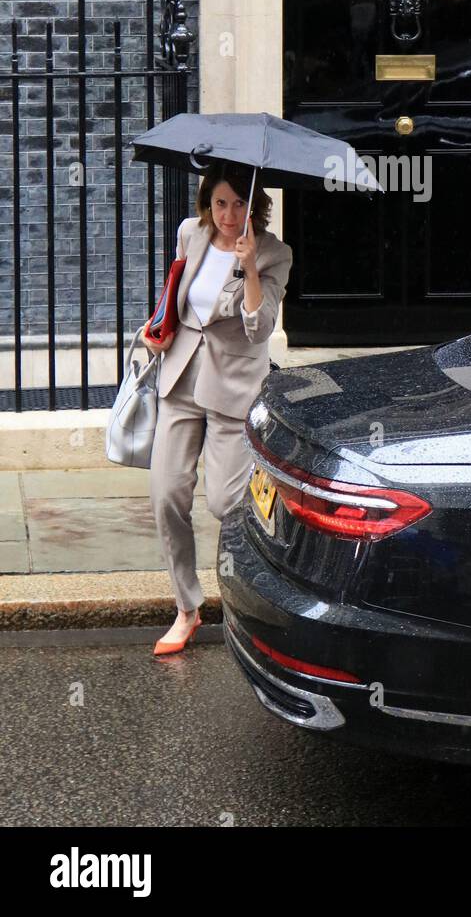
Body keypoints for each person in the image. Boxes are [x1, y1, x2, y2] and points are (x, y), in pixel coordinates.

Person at [141, 162, 293, 656]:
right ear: (208, 205)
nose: (229, 214)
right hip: (181, 374)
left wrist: (249, 267)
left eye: (240, 203)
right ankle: (187, 608)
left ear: (256, 206)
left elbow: (261, 326)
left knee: (225, 504)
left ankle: (244, 598)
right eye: (221, 203)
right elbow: (177, 296)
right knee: (166, 493)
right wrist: (157, 328)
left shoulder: (273, 254)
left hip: (232, 385)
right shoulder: (192, 233)